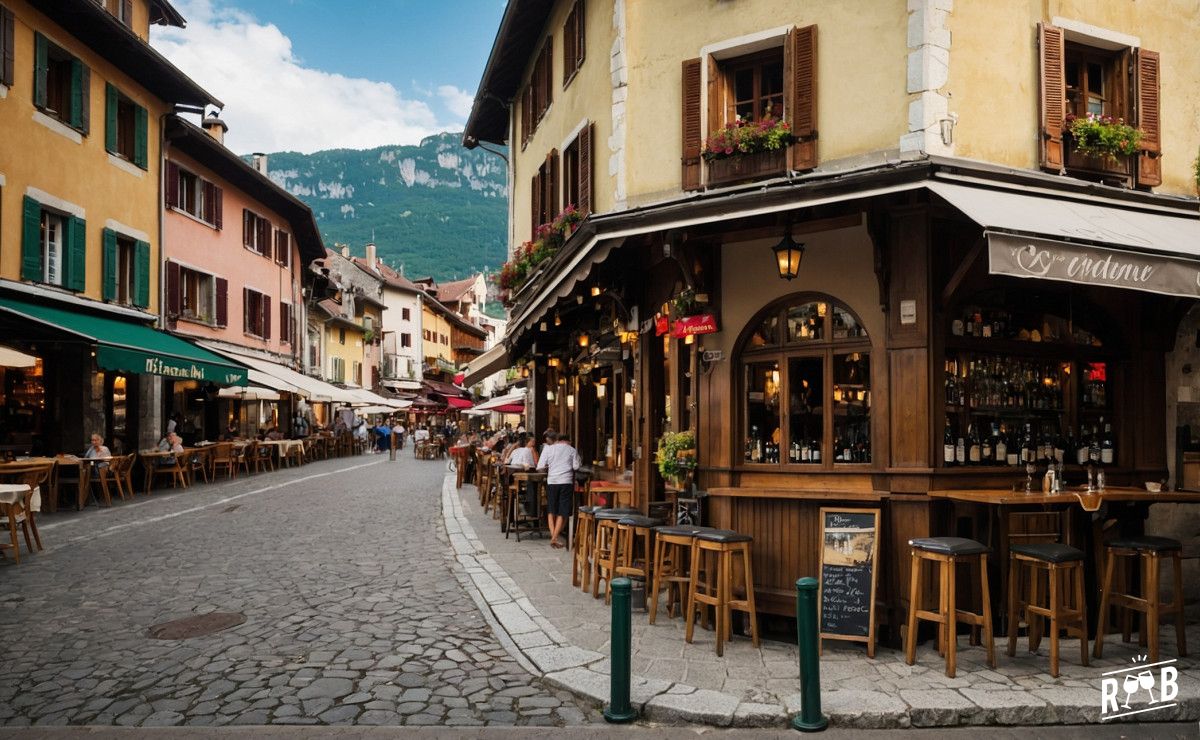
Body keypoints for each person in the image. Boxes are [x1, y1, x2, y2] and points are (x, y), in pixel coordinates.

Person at [537, 430, 580, 549]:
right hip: (566, 482)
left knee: (551, 510)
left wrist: (548, 468)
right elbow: (576, 466)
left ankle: (553, 537)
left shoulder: (548, 449)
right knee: (563, 511)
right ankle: (554, 538)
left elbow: (539, 467)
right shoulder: (571, 450)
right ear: (568, 441)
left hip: (552, 482)